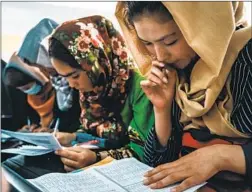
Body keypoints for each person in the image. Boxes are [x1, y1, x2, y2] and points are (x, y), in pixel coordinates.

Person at [116, 1, 252, 192]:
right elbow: (156, 168)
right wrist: (162, 109)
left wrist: (222, 156)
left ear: (205, 26)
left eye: (170, 41)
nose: (160, 56)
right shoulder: (179, 74)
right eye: (147, 43)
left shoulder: (247, 59)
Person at [49, 15, 154, 172]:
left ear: (96, 62)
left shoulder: (142, 87)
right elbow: (93, 132)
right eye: (65, 78)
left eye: (74, 75)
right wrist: (73, 138)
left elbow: (144, 153)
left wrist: (97, 158)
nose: (72, 85)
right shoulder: (94, 89)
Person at [3, 18, 80, 132]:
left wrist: (65, 134)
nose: (44, 72)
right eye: (38, 67)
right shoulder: (58, 82)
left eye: (43, 66)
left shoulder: (79, 81)